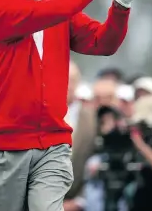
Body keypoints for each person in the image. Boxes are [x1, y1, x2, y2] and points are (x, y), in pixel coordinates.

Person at [0, 0, 140, 211]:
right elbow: (50, 13)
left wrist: (121, 3)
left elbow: (103, 43)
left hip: (52, 144)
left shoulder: (56, 6)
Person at [64, 62, 96, 211]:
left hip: (77, 201)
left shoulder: (91, 117)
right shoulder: (40, 113)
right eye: (62, 78)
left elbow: (94, 157)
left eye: (71, 80)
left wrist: (80, 200)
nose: (67, 85)